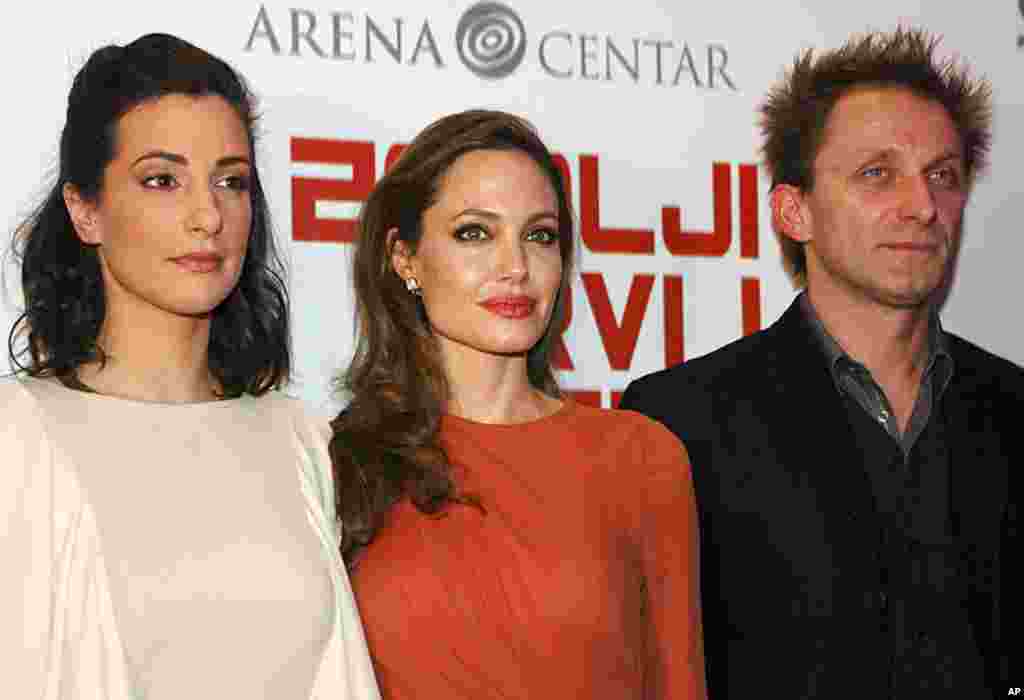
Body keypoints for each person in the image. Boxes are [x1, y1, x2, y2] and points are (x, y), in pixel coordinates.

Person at [620, 27, 1020, 698]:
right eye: (877, 174)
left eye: (942, 177)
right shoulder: (680, 424)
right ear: (793, 210)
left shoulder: (1013, 406)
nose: (923, 207)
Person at [0, 33, 379, 699]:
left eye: (231, 181)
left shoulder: (300, 441)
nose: (208, 216)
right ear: (85, 210)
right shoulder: (16, 438)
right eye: (161, 180)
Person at [329, 109, 706, 699]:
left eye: (540, 235)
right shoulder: (337, 463)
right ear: (404, 258)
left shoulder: (640, 456)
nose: (516, 267)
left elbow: (678, 683)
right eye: (474, 233)